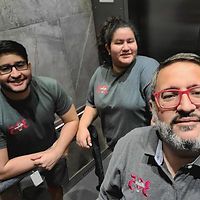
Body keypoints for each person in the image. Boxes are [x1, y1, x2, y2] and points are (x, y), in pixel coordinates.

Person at [98, 52, 200, 200]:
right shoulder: (130, 145)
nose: (185, 106)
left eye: (197, 93)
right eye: (170, 95)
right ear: (153, 108)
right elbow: (107, 196)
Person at [0, 40, 79, 200]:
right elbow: (2, 169)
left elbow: (72, 120)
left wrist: (57, 152)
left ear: (29, 66)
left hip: (55, 158)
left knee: (56, 189)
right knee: (37, 195)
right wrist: (50, 154)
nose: (15, 74)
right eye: (5, 69)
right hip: (24, 172)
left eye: (20, 65)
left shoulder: (49, 87)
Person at [76, 17, 159, 150]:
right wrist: (82, 127)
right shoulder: (100, 73)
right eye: (119, 43)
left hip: (145, 148)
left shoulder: (148, 68)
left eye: (130, 41)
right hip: (116, 148)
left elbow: (157, 107)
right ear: (108, 48)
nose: (126, 47)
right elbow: (92, 105)